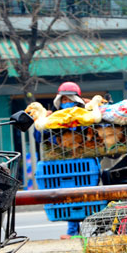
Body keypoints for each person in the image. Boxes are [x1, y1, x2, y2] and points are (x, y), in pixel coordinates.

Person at [54, 82, 86, 240]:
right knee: (70, 195)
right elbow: (40, 137)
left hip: (84, 162)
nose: (66, 103)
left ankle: (81, 230)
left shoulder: (85, 115)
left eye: (69, 99)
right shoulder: (54, 119)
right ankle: (73, 230)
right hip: (65, 164)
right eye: (63, 100)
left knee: (85, 196)